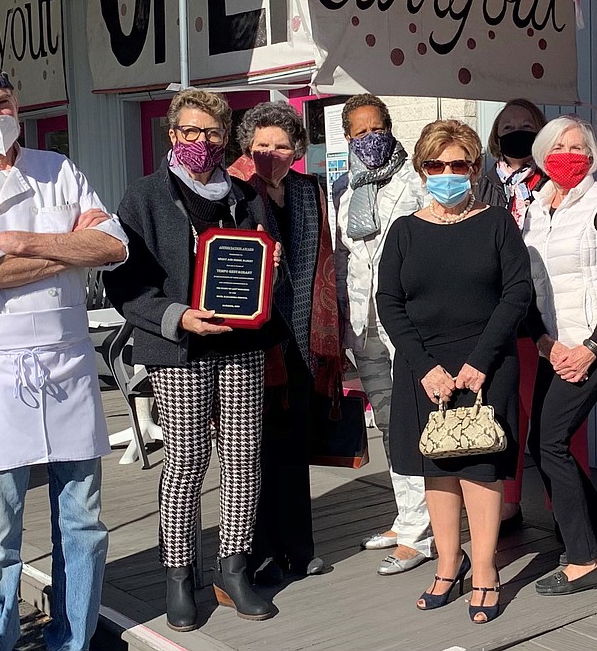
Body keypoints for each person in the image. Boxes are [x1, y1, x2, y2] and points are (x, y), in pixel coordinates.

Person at [0, 62, 129, 651]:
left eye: (3, 101)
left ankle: (74, 638)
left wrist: (20, 242)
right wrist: (73, 249)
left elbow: (113, 245)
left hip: (69, 368)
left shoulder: (57, 167)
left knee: (86, 526)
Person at [103, 89, 284, 631]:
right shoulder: (144, 197)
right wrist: (176, 315)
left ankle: (233, 567)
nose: (200, 142)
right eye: (189, 131)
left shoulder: (245, 196)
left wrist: (262, 289)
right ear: (172, 135)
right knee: (184, 462)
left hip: (240, 345)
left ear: (225, 137)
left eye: (211, 132)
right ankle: (179, 575)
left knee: (243, 457)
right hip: (179, 348)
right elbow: (123, 281)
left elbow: (270, 260)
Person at [377, 119, 532, 623]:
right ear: (423, 170)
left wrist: (478, 363)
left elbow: (516, 294)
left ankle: (485, 570)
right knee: (437, 469)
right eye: (436, 165)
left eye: (458, 164)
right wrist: (425, 369)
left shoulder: (497, 224)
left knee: (480, 469)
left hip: (486, 364)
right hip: (425, 369)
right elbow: (389, 302)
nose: (447, 173)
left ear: (473, 168)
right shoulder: (403, 231)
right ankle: (448, 564)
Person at [231, 101, 342, 585]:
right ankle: (258, 552)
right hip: (251, 342)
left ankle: (300, 548)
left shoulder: (306, 189)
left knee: (293, 449)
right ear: (246, 148)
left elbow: (320, 259)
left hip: (300, 336)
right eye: (261, 146)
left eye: (281, 145)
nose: (271, 154)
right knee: (251, 455)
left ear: (297, 149)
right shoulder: (232, 187)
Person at [333, 94, 435, 575]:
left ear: (389, 130)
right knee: (390, 425)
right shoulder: (346, 191)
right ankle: (406, 515)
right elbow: (343, 261)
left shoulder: (416, 183)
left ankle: (423, 531)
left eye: (375, 130)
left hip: (407, 323)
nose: (368, 140)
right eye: (358, 133)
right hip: (364, 324)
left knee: (415, 423)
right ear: (348, 139)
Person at [478, 99, 589, 532]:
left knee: (557, 421)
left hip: (550, 318)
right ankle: (509, 502)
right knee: (506, 414)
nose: (517, 131)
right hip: (500, 315)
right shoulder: (482, 183)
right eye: (509, 126)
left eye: (527, 124)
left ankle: (566, 508)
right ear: (496, 136)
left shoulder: (558, 182)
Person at [522, 115, 597, 595]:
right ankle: (592, 531)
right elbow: (528, 285)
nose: (570, 154)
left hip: (593, 344)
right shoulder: (535, 208)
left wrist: (593, 347)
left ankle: (584, 558)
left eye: (580, 147)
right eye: (560, 146)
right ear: (543, 154)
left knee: (550, 443)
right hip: (557, 347)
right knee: (541, 444)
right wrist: (544, 342)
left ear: (592, 156)